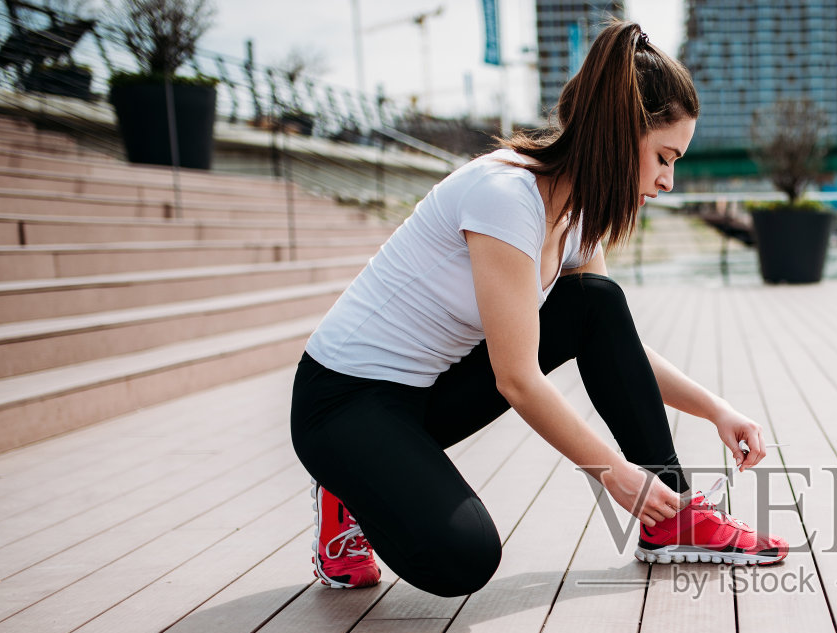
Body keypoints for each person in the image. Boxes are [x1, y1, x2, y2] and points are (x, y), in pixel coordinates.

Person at [290, 21, 787, 595]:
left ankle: (671, 519)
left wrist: (715, 408)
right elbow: (517, 378)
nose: (668, 181)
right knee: (464, 559)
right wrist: (614, 473)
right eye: (663, 157)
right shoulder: (504, 197)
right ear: (622, 132)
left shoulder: (579, 216)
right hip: (343, 402)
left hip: (423, 397)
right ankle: (345, 486)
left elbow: (615, 342)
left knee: (596, 302)